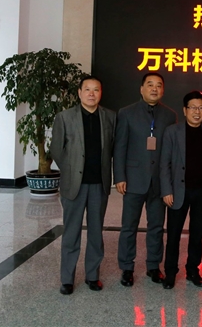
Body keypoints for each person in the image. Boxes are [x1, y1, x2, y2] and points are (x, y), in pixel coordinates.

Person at [50, 75, 116, 295]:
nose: (91, 94)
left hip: (99, 184)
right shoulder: (64, 117)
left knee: (96, 233)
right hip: (74, 185)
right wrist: (71, 169)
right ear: (79, 93)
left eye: (96, 90)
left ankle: (92, 275)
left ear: (101, 93)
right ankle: (67, 279)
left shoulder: (110, 117)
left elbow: (112, 147)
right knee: (71, 233)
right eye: (87, 89)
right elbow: (57, 149)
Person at [114, 72, 177, 287]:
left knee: (156, 226)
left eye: (158, 85)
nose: (154, 89)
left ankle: (153, 266)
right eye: (150, 84)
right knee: (129, 226)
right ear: (141, 89)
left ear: (163, 90)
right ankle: (127, 267)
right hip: (133, 179)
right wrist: (119, 176)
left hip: (159, 182)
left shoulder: (169, 115)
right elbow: (120, 147)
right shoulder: (126, 113)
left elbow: (171, 152)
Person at [159, 91, 202, 289]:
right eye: (193, 108)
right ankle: (170, 272)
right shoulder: (172, 132)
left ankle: (193, 270)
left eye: (201, 108)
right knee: (174, 235)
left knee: (197, 234)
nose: (197, 112)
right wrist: (166, 190)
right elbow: (164, 163)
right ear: (185, 110)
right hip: (178, 191)